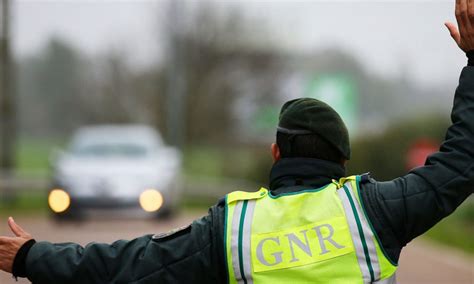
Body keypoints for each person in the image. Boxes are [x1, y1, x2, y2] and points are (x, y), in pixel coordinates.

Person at [1, 2, 474, 283]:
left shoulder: (230, 229)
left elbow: (123, 264)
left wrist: (30, 256)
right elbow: (462, 162)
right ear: (343, 163)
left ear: (276, 153)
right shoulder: (374, 210)